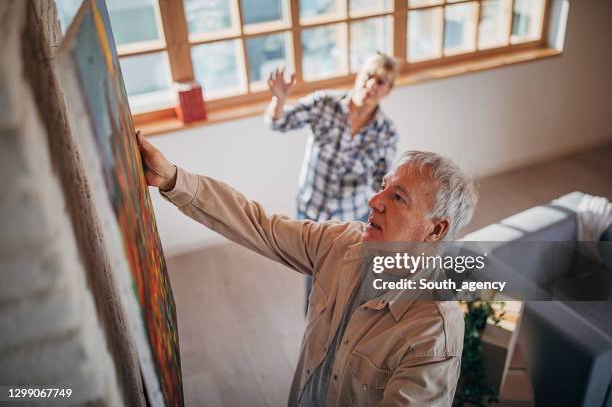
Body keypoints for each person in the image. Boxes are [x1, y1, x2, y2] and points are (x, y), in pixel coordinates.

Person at [137, 131, 478, 406]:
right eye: (383, 187)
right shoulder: (342, 242)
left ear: (435, 230)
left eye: (398, 198)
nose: (375, 201)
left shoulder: (434, 332)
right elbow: (259, 225)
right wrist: (172, 179)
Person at [265, 53, 400, 312]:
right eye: (368, 75)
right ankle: (312, 327)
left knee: (349, 274)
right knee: (313, 272)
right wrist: (279, 100)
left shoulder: (387, 133)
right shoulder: (324, 103)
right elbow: (279, 122)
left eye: (381, 81)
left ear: (388, 90)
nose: (371, 84)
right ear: (358, 75)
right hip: (311, 210)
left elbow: (380, 183)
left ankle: (342, 325)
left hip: (352, 217)